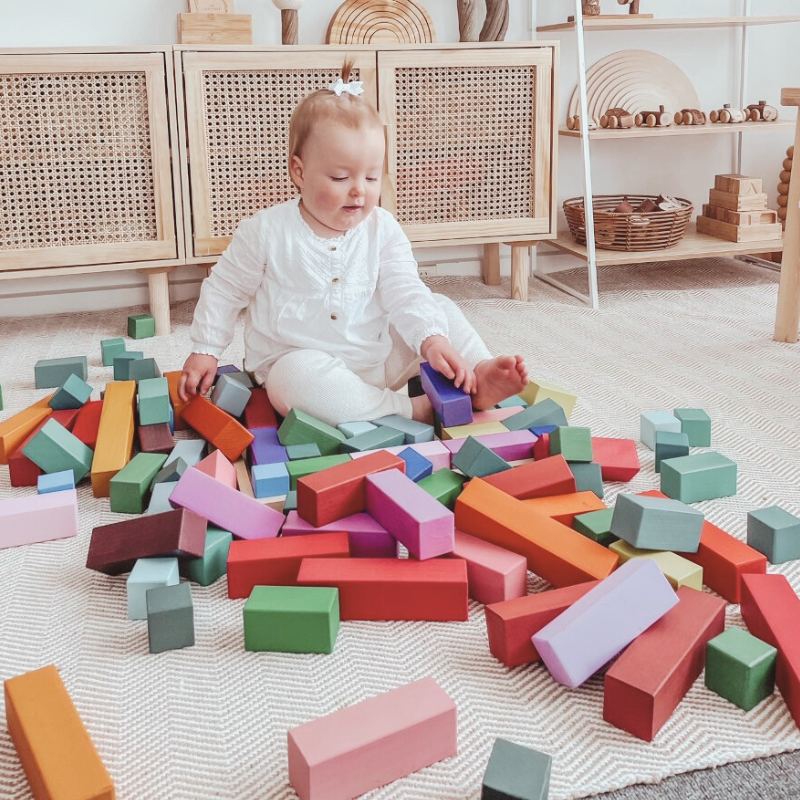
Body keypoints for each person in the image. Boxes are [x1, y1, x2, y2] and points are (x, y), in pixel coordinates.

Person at [178, 61, 529, 426]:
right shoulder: (265, 231)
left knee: (437, 308)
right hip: (300, 361)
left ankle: (478, 374)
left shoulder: (383, 229)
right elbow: (224, 290)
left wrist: (433, 341)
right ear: (299, 171)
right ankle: (410, 410)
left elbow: (405, 291)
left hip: (376, 358)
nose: (359, 189)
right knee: (291, 381)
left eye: (372, 176)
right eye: (340, 176)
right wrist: (206, 350)